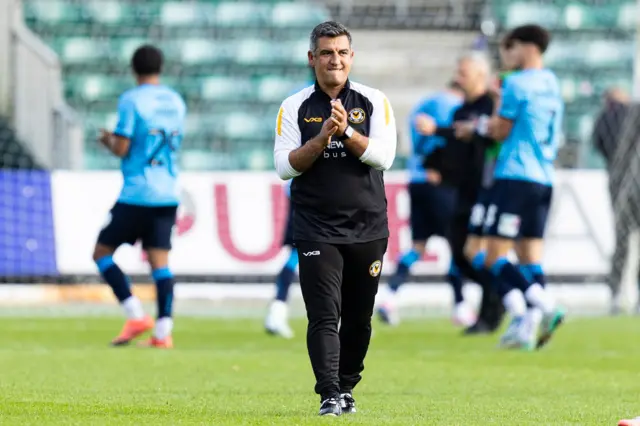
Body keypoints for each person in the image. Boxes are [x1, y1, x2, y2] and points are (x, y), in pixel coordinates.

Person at [273, 21, 397, 416]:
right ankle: (329, 393)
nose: (335, 60)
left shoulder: (374, 100)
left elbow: (384, 157)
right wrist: (321, 138)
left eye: (342, 52)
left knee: (359, 319)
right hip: (316, 227)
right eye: (327, 53)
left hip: (367, 226)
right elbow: (284, 167)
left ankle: (346, 387)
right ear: (313, 58)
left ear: (351, 57)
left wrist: (346, 134)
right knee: (325, 314)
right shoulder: (294, 106)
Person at [92, 45, 186, 349]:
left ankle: (135, 314)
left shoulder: (131, 100)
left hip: (137, 192)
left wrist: (107, 138)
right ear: (160, 68)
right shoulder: (175, 101)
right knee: (161, 263)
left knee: (101, 253)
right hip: (168, 192)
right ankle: (163, 332)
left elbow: (122, 148)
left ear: (134, 69)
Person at [482, 25, 565, 350]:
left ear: (528, 47)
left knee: (493, 255)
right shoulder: (552, 82)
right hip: (543, 178)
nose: (507, 56)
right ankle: (527, 327)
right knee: (531, 257)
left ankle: (546, 306)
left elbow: (501, 131)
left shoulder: (516, 83)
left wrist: (491, 110)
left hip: (515, 175)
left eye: (510, 48)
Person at [376, 81, 466, 327]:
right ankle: (461, 305)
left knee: (418, 247)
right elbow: (450, 140)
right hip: (437, 181)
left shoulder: (423, 104)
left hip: (416, 181)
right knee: (455, 244)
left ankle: (389, 298)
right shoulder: (454, 105)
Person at [592, 88, 635, 314]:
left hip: (617, 183)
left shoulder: (605, 117)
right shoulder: (633, 114)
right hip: (632, 182)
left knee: (621, 239)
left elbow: (597, 143)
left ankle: (616, 292)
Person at [264, 180, 298, 338]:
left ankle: (276, 313)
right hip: (311, 196)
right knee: (296, 256)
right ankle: (276, 314)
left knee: (295, 257)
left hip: (309, 194)